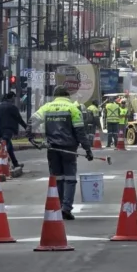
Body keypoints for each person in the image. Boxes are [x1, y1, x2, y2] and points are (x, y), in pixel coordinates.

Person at [29, 86, 93, 220]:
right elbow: (80, 132)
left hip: (52, 148)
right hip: (69, 148)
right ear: (67, 96)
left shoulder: (47, 107)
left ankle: (58, 207)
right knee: (70, 179)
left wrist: (32, 137)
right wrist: (87, 149)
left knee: (57, 178)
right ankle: (66, 208)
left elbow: (32, 121)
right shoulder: (73, 109)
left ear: (55, 96)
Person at [0, 92, 25, 169]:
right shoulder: (12, 107)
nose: (14, 100)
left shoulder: (0, 106)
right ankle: (1, 164)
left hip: (0, 130)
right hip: (8, 129)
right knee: (5, 147)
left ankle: (15, 163)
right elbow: (19, 119)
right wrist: (27, 128)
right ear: (11, 98)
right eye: (14, 98)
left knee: (9, 148)